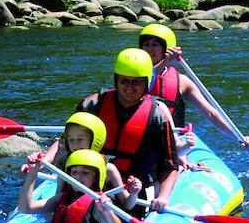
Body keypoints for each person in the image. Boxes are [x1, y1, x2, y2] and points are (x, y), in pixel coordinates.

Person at [77, 47, 179, 212]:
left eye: (136, 82)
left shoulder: (157, 117)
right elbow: (66, 144)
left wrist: (163, 197)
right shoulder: (92, 105)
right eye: (124, 81)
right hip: (93, 183)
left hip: (135, 190)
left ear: (147, 82)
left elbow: (170, 166)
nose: (129, 87)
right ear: (116, 80)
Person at [137, 23, 249, 151]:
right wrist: (164, 61)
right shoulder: (132, 79)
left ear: (166, 49)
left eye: (155, 45)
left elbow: (211, 113)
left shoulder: (182, 82)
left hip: (172, 143)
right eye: (146, 45)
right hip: (142, 140)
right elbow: (147, 80)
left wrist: (238, 137)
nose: (149, 49)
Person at [18, 149, 124, 223]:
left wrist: (108, 213)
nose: (78, 176)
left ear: (96, 177)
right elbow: (26, 208)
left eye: (85, 172)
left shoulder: (99, 202)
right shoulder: (61, 198)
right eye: (74, 172)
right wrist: (33, 173)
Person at [25, 111, 142, 210]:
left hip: (101, 220)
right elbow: (58, 198)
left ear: (96, 140)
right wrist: (32, 172)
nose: (75, 144)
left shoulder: (108, 169)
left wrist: (134, 193)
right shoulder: (66, 165)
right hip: (72, 217)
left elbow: (127, 204)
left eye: (80, 139)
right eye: (71, 139)